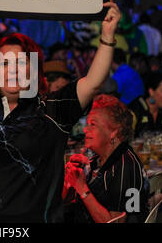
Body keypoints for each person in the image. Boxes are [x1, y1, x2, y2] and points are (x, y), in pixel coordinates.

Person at [0, 0, 121, 222]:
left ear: (34, 71)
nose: (13, 70)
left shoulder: (52, 110)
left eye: (21, 62)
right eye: (4, 63)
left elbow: (94, 82)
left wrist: (107, 36)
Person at [63, 94, 149, 223]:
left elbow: (116, 222)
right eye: (87, 124)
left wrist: (82, 188)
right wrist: (71, 179)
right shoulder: (97, 160)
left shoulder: (126, 166)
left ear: (113, 131)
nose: (86, 129)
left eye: (93, 124)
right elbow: (66, 201)